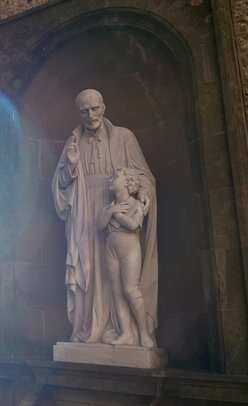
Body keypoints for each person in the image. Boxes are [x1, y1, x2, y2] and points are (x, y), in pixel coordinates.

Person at [51, 89, 158, 345]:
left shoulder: (123, 137)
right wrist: (73, 165)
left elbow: (143, 175)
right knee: (89, 269)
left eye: (94, 108)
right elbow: (60, 183)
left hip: (116, 210)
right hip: (86, 212)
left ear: (103, 108)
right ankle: (89, 328)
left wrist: (143, 193)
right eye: (84, 110)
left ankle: (125, 330)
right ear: (79, 113)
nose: (90, 115)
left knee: (122, 280)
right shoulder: (73, 142)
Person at [97, 168, 153, 347]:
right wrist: (111, 210)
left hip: (129, 248)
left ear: (128, 183)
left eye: (115, 177)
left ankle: (144, 334)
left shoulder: (135, 204)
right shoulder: (110, 206)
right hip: (111, 248)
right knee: (116, 290)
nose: (110, 179)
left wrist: (117, 214)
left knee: (130, 289)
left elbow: (134, 225)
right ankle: (126, 333)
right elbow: (99, 225)